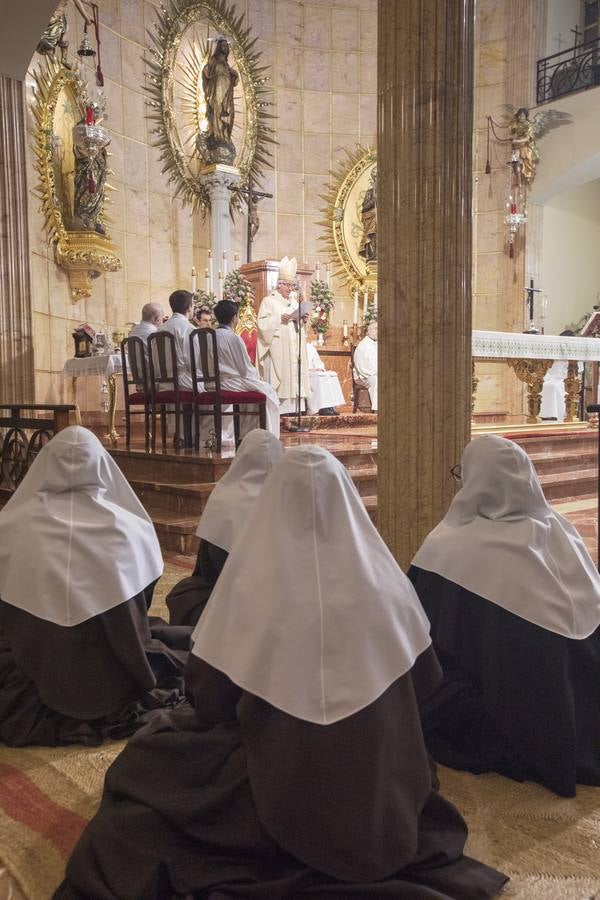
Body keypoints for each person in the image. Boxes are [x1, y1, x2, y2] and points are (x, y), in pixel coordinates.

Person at [56, 446, 507, 900]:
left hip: (272, 782)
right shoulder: (390, 586)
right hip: (377, 783)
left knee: (146, 768)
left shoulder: (249, 587)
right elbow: (425, 684)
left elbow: (210, 701)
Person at [409, 434, 600, 798]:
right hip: (586, 701)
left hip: (524, 715)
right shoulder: (564, 532)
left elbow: (416, 633)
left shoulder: (451, 548)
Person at [0, 426, 191, 748]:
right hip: (115, 674)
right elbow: (142, 603)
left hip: (35, 667)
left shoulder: (10, 527)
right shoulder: (130, 527)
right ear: (102, 466)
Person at [166, 429, 283, 626]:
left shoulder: (224, 497)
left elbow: (206, 566)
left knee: (184, 595)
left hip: (228, 599)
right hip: (277, 601)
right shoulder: (289, 501)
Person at [201, 299, 281, 444]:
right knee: (268, 392)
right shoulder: (233, 338)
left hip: (210, 383)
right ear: (234, 318)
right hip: (230, 384)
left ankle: (246, 435)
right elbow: (245, 368)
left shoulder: (207, 336)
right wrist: (256, 378)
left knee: (258, 389)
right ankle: (262, 438)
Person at [257, 255, 311, 414]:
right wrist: (279, 318)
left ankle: (296, 409)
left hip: (294, 345)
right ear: (279, 285)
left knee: (295, 374)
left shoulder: (295, 303)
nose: (289, 288)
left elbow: (298, 323)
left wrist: (302, 319)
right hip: (279, 347)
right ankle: (280, 411)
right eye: (287, 285)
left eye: (291, 285)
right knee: (282, 377)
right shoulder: (269, 301)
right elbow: (262, 325)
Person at [157, 290, 196, 389]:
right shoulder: (189, 329)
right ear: (189, 307)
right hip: (185, 383)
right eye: (193, 304)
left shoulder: (160, 329)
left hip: (162, 383)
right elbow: (194, 361)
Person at [306, 341, 345, 415]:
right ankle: (317, 408)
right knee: (318, 377)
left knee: (330, 375)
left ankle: (330, 406)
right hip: (304, 372)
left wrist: (319, 368)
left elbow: (318, 361)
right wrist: (309, 369)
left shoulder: (310, 347)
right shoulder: (294, 346)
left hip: (314, 371)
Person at [353, 320, 378, 411]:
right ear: (369, 331)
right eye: (376, 329)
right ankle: (377, 410)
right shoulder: (363, 346)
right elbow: (361, 366)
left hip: (374, 373)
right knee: (376, 380)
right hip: (364, 375)